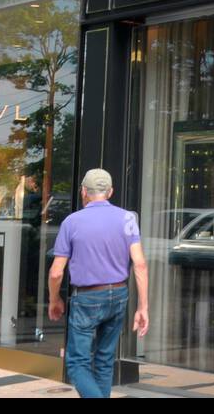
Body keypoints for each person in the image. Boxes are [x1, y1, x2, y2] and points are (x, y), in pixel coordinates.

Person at [47, 169, 149, 398]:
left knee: (77, 364)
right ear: (110, 192)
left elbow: (56, 273)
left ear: (83, 191)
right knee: (104, 360)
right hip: (119, 294)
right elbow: (140, 265)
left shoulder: (71, 222)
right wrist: (143, 307)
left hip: (87, 298)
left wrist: (54, 299)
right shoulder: (128, 219)